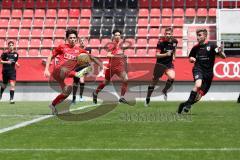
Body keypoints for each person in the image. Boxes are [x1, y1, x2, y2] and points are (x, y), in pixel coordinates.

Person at [44, 28, 103, 115]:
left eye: (74, 38)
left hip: (65, 75)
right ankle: (79, 74)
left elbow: (92, 57)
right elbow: (50, 56)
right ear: (67, 39)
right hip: (58, 71)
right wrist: (46, 69)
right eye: (70, 38)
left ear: (76, 39)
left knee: (67, 92)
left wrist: (102, 66)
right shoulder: (62, 47)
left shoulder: (79, 50)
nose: (72, 39)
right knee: (67, 69)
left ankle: (53, 104)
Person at [178, 28, 226, 114]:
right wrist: (191, 59)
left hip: (208, 74)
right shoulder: (195, 48)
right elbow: (191, 57)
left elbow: (223, 57)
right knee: (198, 84)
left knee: (198, 97)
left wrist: (221, 52)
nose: (198, 37)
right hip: (198, 69)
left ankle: (184, 104)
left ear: (205, 36)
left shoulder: (212, 46)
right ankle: (188, 106)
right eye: (197, 35)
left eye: (200, 35)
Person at [93, 29, 128, 104]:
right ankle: (95, 93)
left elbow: (120, 55)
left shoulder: (121, 45)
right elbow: (108, 55)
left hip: (119, 67)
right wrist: (118, 56)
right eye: (116, 35)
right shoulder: (112, 44)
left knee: (125, 79)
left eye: (119, 35)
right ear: (113, 36)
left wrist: (123, 56)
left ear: (120, 36)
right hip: (111, 67)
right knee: (105, 82)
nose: (117, 36)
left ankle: (121, 97)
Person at [145, 27, 178, 106]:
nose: (167, 35)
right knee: (154, 82)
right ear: (164, 34)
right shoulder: (161, 42)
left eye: (169, 34)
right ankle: (148, 98)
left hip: (168, 64)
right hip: (160, 65)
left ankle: (164, 90)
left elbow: (174, 49)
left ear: (172, 34)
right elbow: (156, 55)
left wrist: (174, 56)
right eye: (166, 34)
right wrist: (166, 54)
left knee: (172, 77)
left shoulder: (175, 41)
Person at [72, 37, 92, 104]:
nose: (82, 42)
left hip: (85, 67)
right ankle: (74, 98)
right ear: (79, 42)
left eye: (83, 41)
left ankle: (80, 96)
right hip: (77, 68)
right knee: (75, 83)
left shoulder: (88, 49)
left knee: (81, 81)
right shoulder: (76, 49)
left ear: (85, 41)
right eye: (81, 41)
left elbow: (90, 58)